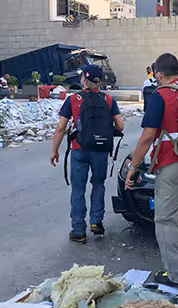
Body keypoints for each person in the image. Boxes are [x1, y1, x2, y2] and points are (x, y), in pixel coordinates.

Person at [125, 53, 178, 288]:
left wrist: (133, 167)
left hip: (170, 162)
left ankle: (177, 276)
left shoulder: (162, 95)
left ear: (159, 74)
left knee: (164, 219)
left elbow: (148, 136)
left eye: (156, 76)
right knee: (172, 201)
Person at [50, 65, 124, 244]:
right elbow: (120, 126)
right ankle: (96, 222)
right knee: (98, 184)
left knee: (78, 190)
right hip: (100, 150)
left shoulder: (73, 99)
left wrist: (54, 151)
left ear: (84, 79)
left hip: (79, 148)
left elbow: (60, 128)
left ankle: (78, 231)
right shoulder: (108, 100)